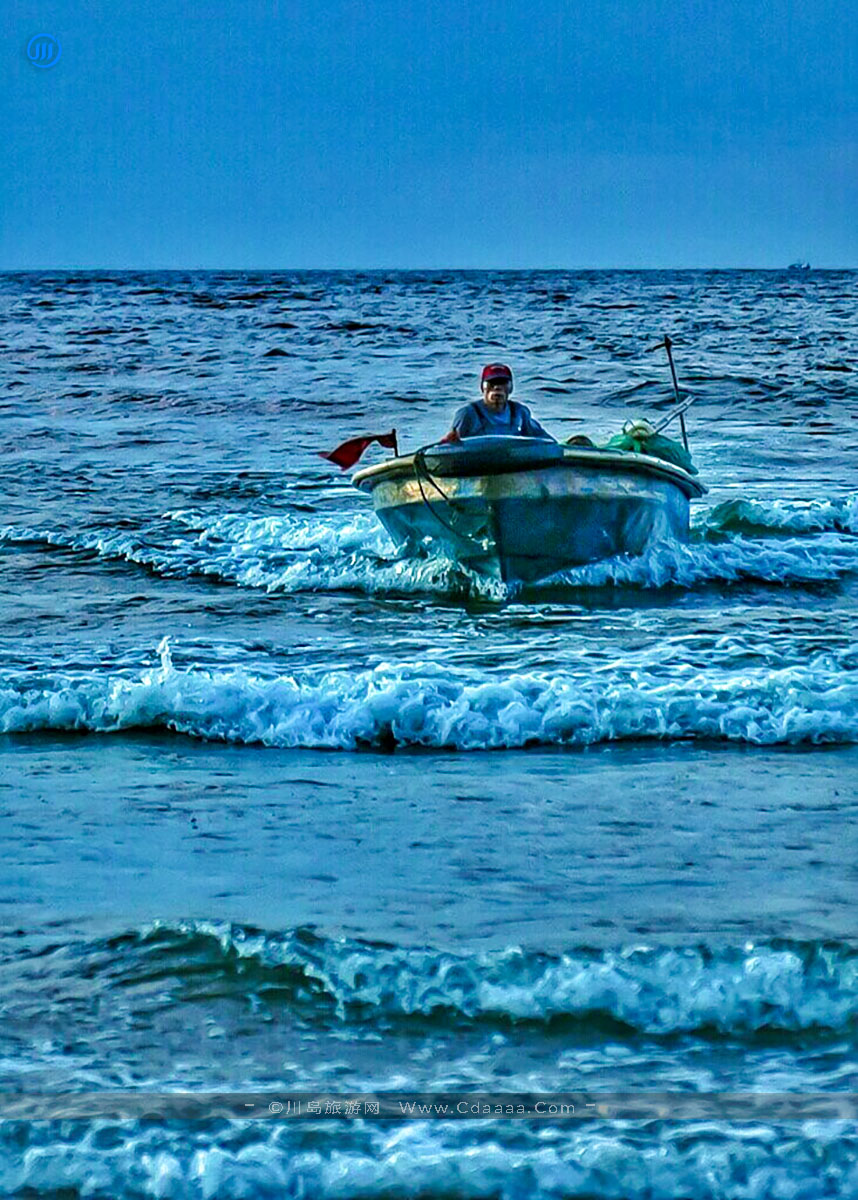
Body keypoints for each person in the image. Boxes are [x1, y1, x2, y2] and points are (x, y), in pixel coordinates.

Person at [441, 364, 554, 442]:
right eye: (492, 383)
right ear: (482, 387)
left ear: (510, 388)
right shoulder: (468, 414)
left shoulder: (520, 412)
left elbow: (543, 439)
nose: (497, 388)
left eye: (502, 383)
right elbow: (449, 447)